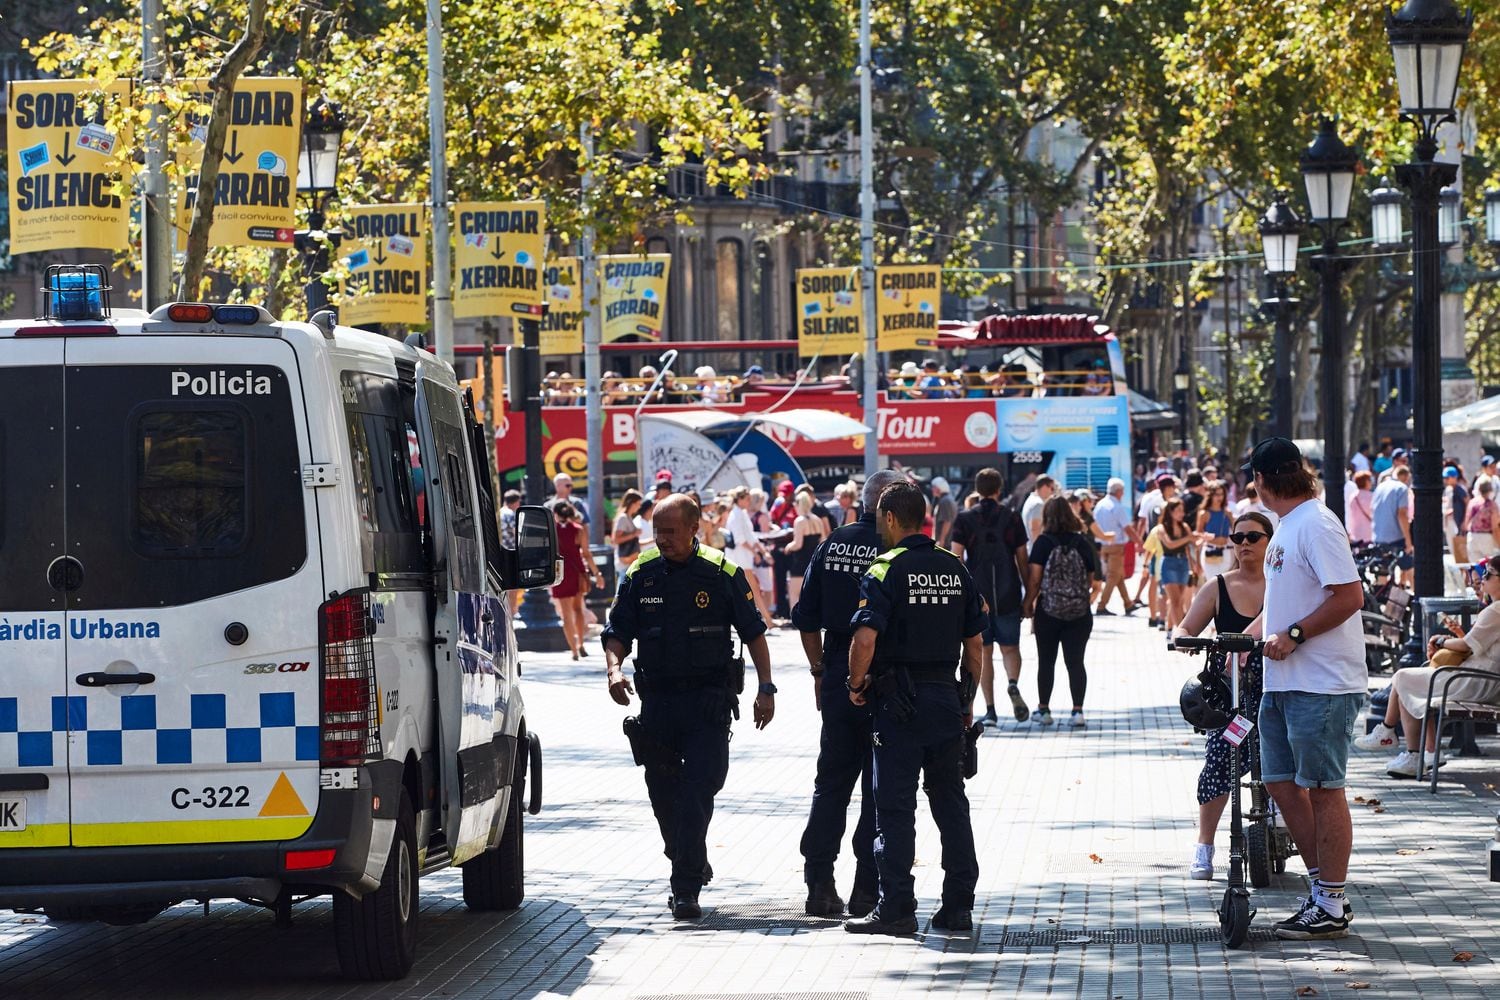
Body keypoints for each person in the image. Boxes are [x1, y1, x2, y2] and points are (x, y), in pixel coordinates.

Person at [602, 494, 775, 920]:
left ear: (694, 528)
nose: (662, 539)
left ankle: (685, 889)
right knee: (663, 793)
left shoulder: (721, 572)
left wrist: (766, 688)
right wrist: (613, 670)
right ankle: (687, 853)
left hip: (708, 704)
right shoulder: (640, 573)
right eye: (657, 531)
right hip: (658, 703)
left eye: (671, 531)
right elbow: (617, 630)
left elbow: (754, 633)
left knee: (699, 789)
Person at [843, 481, 985, 935]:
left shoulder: (884, 569)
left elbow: (865, 637)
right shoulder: (954, 568)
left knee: (895, 809)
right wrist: (965, 701)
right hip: (945, 697)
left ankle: (897, 908)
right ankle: (958, 905)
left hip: (898, 704)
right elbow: (976, 647)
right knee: (950, 804)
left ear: (887, 518)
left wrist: (855, 683)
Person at [1245, 437, 1366, 940]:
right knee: (1279, 782)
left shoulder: (1315, 524)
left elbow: (1350, 595)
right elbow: (1285, 601)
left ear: (1262, 480)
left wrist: (1294, 636)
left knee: (1321, 789)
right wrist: (1241, 637)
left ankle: (1331, 901)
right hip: (1284, 680)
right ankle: (1320, 893)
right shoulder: (1288, 526)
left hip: (1321, 682)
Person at [792, 469, 904, 919]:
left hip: (839, 666)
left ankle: (819, 883)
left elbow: (805, 617)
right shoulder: (895, 547)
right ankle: (865, 888)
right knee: (878, 786)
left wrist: (820, 669)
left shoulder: (831, 542)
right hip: (886, 675)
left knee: (831, 782)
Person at [1170, 513, 1272, 879]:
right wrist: (1182, 638)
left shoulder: (1283, 585)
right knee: (1219, 762)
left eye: (1253, 537)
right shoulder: (1217, 587)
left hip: (1276, 687)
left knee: (1283, 763)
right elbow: (1185, 626)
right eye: (1237, 536)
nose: (1244, 543)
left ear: (1269, 541)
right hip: (1231, 694)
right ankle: (1205, 845)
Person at [1356, 554, 1500, 775]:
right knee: (1409, 681)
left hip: (1476, 680)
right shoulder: (1494, 610)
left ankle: (1395, 738)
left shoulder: (1495, 611)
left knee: (1404, 678)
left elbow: (1465, 645)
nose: (1483, 579)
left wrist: (1441, 640)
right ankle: (1417, 750)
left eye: (1488, 574)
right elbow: (1473, 644)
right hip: (1477, 676)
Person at [951, 467, 1031, 726]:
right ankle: (1013, 683)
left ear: (977, 489)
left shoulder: (964, 519)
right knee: (1010, 648)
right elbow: (1022, 558)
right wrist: (1029, 594)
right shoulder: (1012, 517)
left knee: (983, 653)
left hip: (978, 596)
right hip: (1007, 594)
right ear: (999, 489)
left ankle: (991, 709)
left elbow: (956, 557)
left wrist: (963, 595)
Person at [1023, 496, 1103, 727]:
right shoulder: (1082, 543)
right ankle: (1077, 712)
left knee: (1046, 661)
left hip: (1048, 611)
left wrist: (1028, 603)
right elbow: (1094, 581)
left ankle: (1044, 710)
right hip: (1079, 613)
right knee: (1076, 662)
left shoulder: (1043, 543)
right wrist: (1082, 599)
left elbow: (1035, 579)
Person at [551, 501, 604, 660]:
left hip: (559, 572)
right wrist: (597, 573)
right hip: (576, 571)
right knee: (578, 609)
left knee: (566, 614)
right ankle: (581, 644)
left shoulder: (551, 530)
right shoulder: (579, 530)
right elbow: (586, 553)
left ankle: (573, 650)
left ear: (556, 513)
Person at [723, 486, 774, 627]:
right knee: (752, 589)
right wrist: (756, 553)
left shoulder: (741, 514)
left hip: (744, 558)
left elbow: (751, 537)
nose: (749, 501)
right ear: (739, 499)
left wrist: (761, 552)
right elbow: (741, 539)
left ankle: (765, 619)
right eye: (746, 499)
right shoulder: (736, 515)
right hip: (739, 559)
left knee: (749, 589)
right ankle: (766, 620)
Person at [1093, 478, 1137, 615]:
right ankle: (1101, 606)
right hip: (1116, 546)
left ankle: (1128, 603)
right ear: (1118, 492)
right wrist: (1139, 542)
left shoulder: (1100, 505)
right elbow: (1127, 528)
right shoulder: (1117, 507)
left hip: (1103, 545)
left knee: (1118, 575)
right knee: (1113, 576)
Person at [783, 492, 829, 608]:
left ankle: (795, 621)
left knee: (794, 594)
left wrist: (788, 547)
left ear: (799, 504)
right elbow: (823, 541)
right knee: (812, 594)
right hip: (813, 562)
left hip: (800, 562)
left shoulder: (799, 521)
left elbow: (798, 544)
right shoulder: (817, 520)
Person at [1371, 465, 1414, 585]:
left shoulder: (1380, 487)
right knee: (1410, 568)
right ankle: (1417, 600)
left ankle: (1380, 602)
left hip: (1379, 537)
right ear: (1405, 477)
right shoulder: (1402, 488)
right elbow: (1402, 514)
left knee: (1382, 575)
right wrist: (1408, 541)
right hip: (1396, 537)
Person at [1196, 482, 1234, 581]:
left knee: (1224, 583)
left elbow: (1235, 529)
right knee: (1212, 583)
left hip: (1225, 551)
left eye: (1222, 494)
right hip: (1210, 550)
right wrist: (1206, 536)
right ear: (1210, 495)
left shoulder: (1227, 512)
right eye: (1217, 494)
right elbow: (1198, 534)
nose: (1220, 497)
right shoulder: (1204, 513)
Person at [1021, 475, 1056, 551]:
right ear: (1044, 487)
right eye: (1052, 488)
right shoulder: (1038, 504)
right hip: (1035, 551)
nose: (1053, 493)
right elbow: (1035, 529)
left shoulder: (1030, 500)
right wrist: (1040, 552)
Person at [613, 489, 645, 573]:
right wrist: (634, 534)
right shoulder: (623, 518)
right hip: (625, 565)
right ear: (632, 503)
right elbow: (616, 540)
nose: (639, 507)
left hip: (629, 563)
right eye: (638, 504)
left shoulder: (628, 518)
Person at [1468, 478, 1498, 562]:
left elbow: (1466, 521)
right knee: (1488, 566)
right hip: (1486, 537)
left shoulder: (1472, 502)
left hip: (1472, 536)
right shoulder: (1492, 505)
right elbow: (1494, 526)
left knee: (1475, 567)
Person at [1346, 470, 1374, 545]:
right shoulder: (1371, 496)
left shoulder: (1353, 496)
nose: (1371, 482)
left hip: (1355, 532)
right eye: (1369, 480)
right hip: (1369, 533)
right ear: (1366, 482)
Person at [930, 476, 958, 546]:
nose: (932, 489)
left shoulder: (945, 501)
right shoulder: (946, 499)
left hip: (945, 543)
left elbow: (947, 521)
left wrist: (941, 540)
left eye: (933, 487)